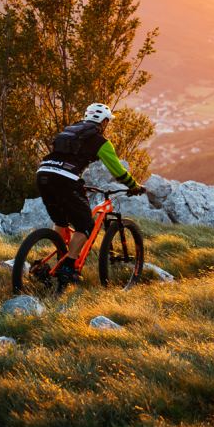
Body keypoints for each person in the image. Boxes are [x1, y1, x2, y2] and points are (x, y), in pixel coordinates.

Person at [36, 103, 146, 295]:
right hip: (65, 179)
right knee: (85, 226)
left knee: (61, 221)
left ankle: (60, 260)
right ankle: (69, 268)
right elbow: (118, 171)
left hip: (43, 174)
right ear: (103, 122)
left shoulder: (71, 131)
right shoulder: (100, 141)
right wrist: (134, 186)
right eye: (107, 121)